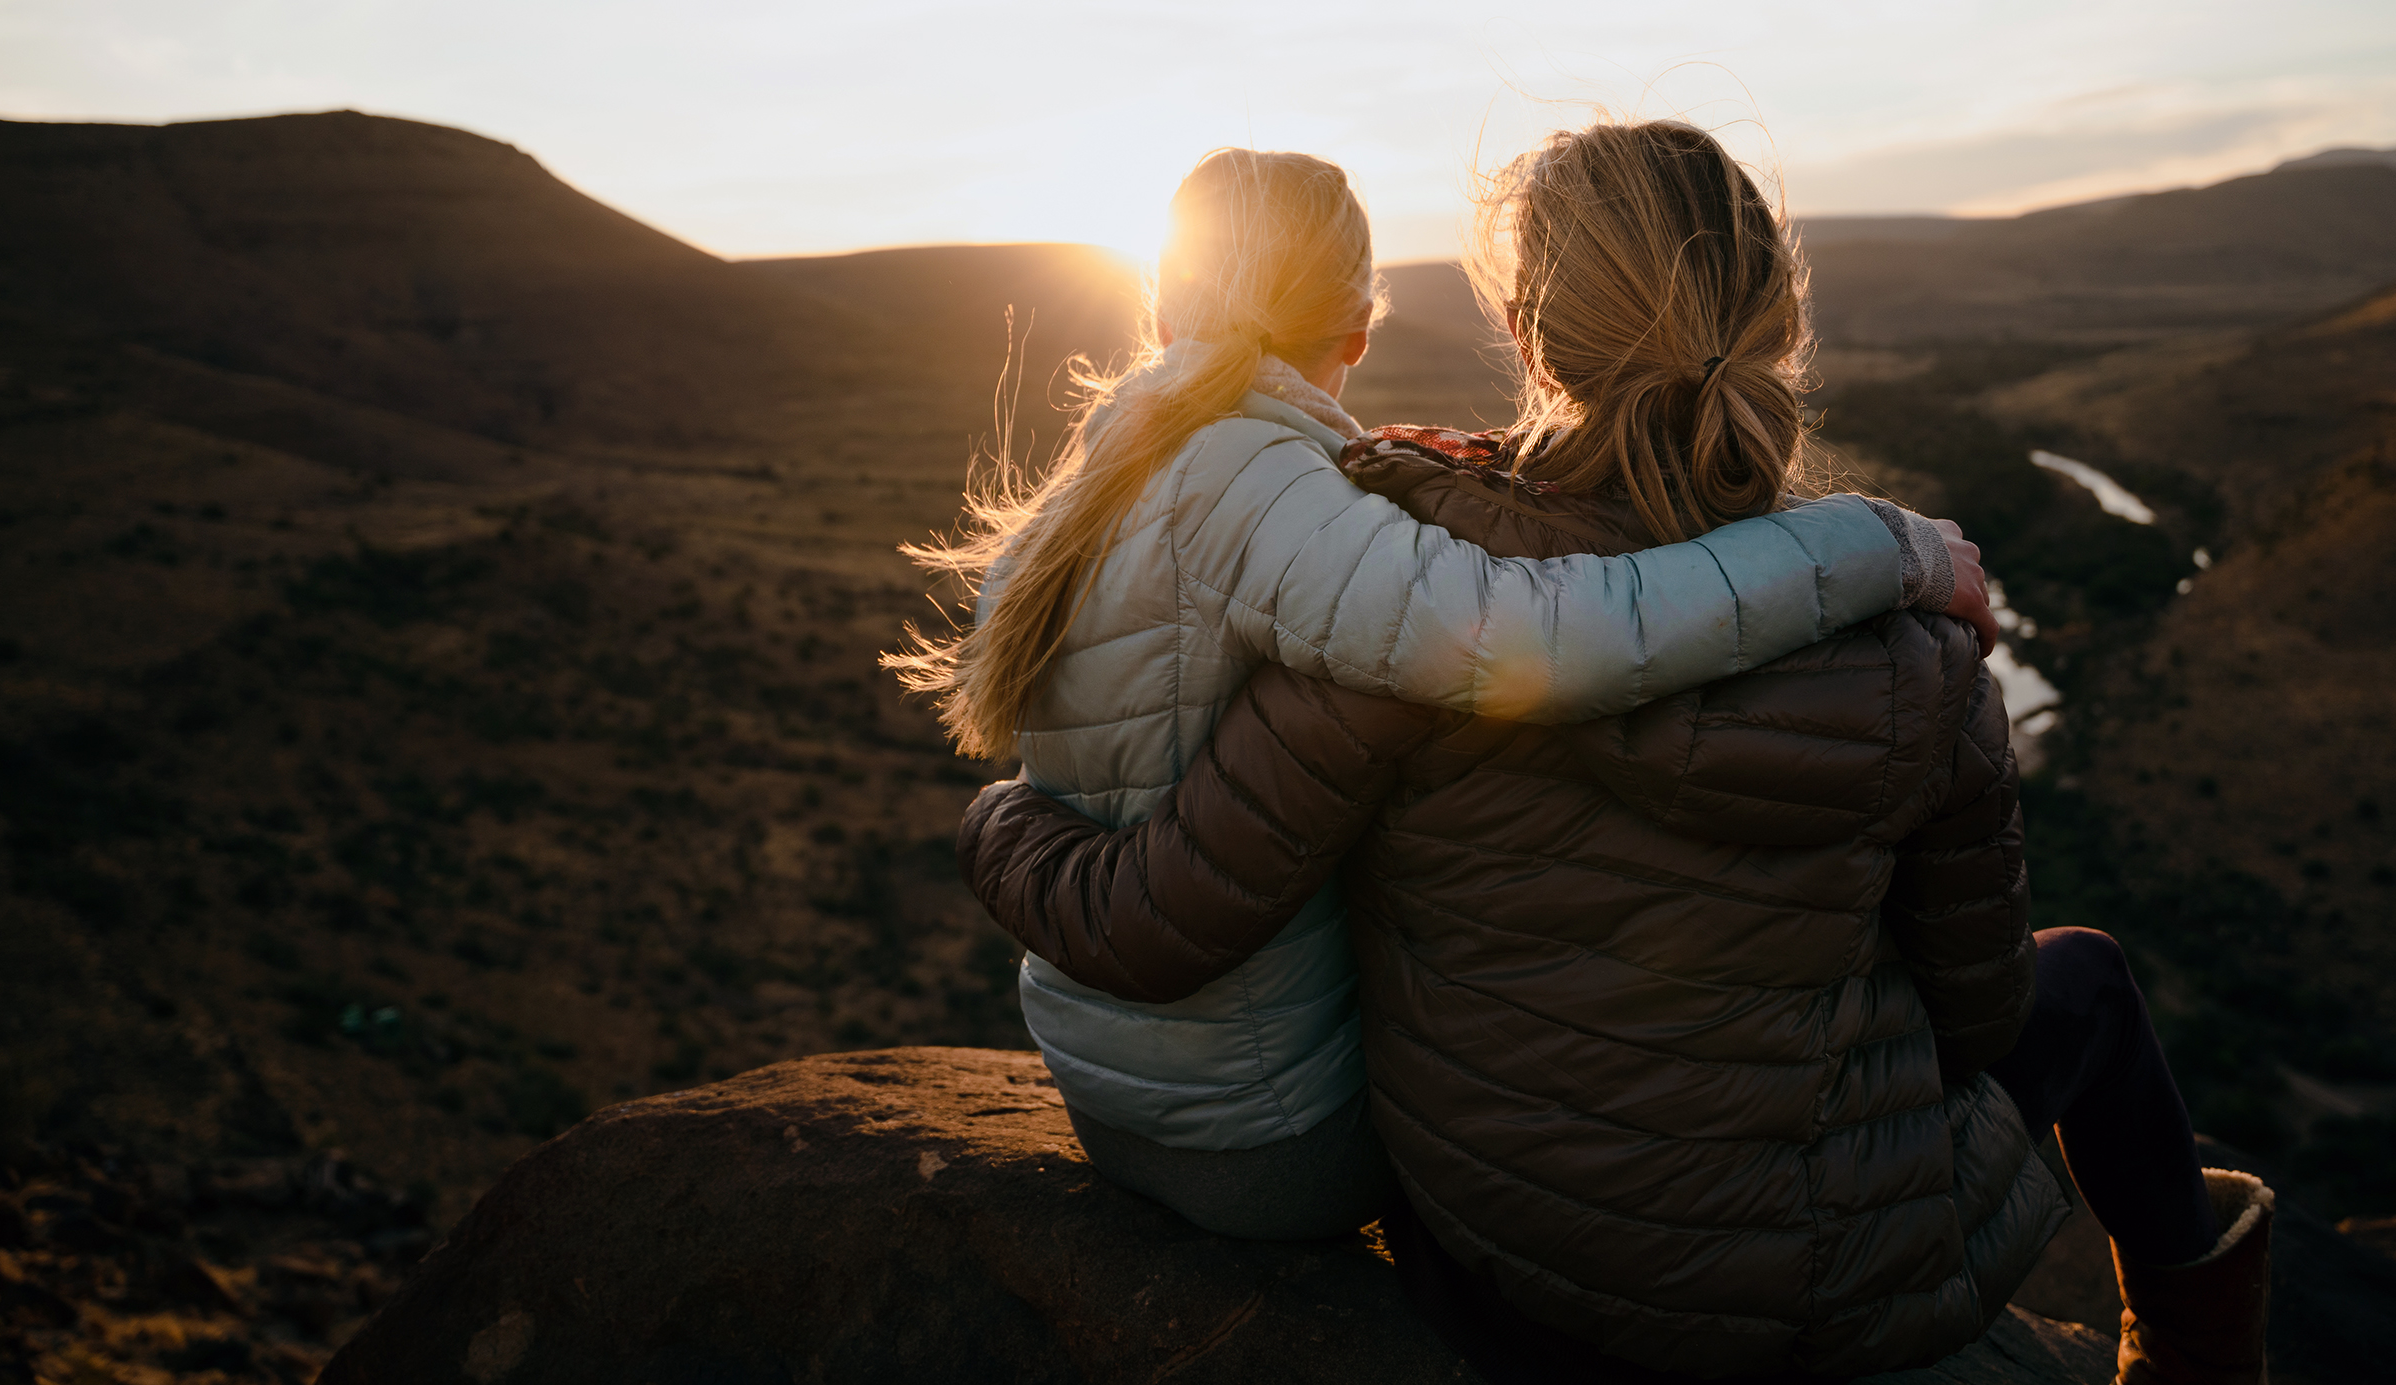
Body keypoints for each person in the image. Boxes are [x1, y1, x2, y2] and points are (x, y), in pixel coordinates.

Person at [955, 123, 2272, 1384]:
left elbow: (1183, 897)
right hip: (1842, 1284)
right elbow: (1977, 1017)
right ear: (1779, 332)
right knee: (2084, 981)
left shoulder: (1388, 626)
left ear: (1524, 330)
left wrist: (1006, 821)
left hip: (1502, 1283)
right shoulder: (1921, 661)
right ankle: (2202, 1355)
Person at [888, 146, 1994, 1245]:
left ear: (1159, 305)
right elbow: (1542, 638)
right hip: (1270, 1139)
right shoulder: (1252, 485)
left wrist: (1000, 824)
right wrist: (1870, 545)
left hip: (1117, 1092)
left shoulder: (1114, 466)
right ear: (1359, 330)